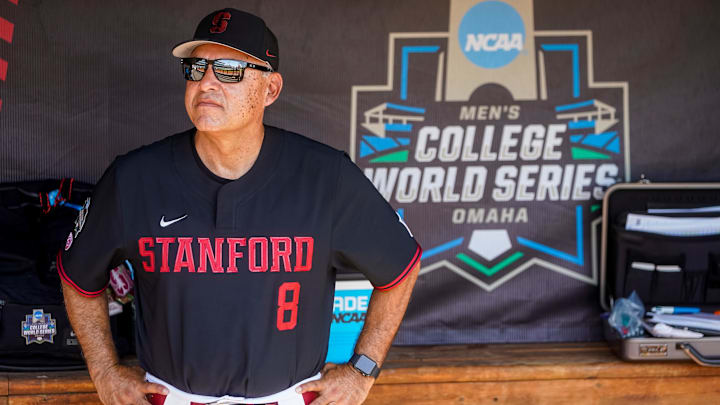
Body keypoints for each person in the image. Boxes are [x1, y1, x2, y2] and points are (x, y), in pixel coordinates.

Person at [59, 8, 422, 405]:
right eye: (197, 67)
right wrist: (104, 370)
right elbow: (78, 276)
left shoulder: (325, 176)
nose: (207, 83)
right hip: (172, 396)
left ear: (270, 89)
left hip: (287, 397)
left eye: (229, 69)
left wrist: (362, 370)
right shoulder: (135, 178)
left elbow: (401, 268)